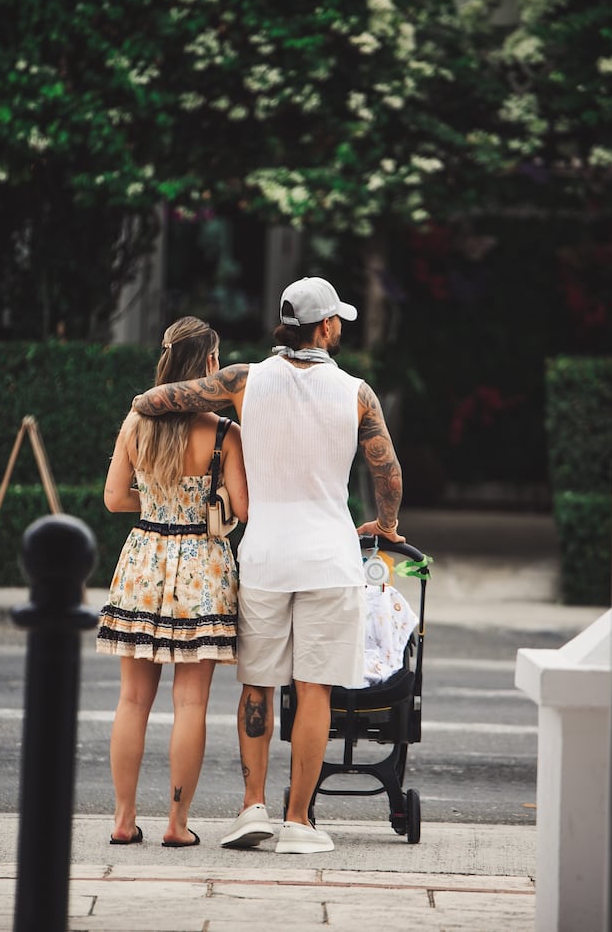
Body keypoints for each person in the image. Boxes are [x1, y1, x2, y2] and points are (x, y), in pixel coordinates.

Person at [132, 276, 404, 854]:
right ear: (326, 326)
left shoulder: (243, 381)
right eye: (339, 322)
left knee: (256, 685)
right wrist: (385, 524)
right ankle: (299, 822)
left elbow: (160, 401)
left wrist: (142, 403)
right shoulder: (358, 393)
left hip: (264, 559)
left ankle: (252, 807)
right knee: (315, 692)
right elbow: (389, 473)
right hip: (330, 560)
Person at [97, 316, 248, 849]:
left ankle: (122, 818)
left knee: (132, 701)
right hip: (201, 565)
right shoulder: (225, 434)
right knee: (191, 705)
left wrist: (159, 500)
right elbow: (244, 508)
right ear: (210, 365)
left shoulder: (136, 423)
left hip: (143, 558)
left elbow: (115, 499)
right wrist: (198, 504)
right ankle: (177, 824)